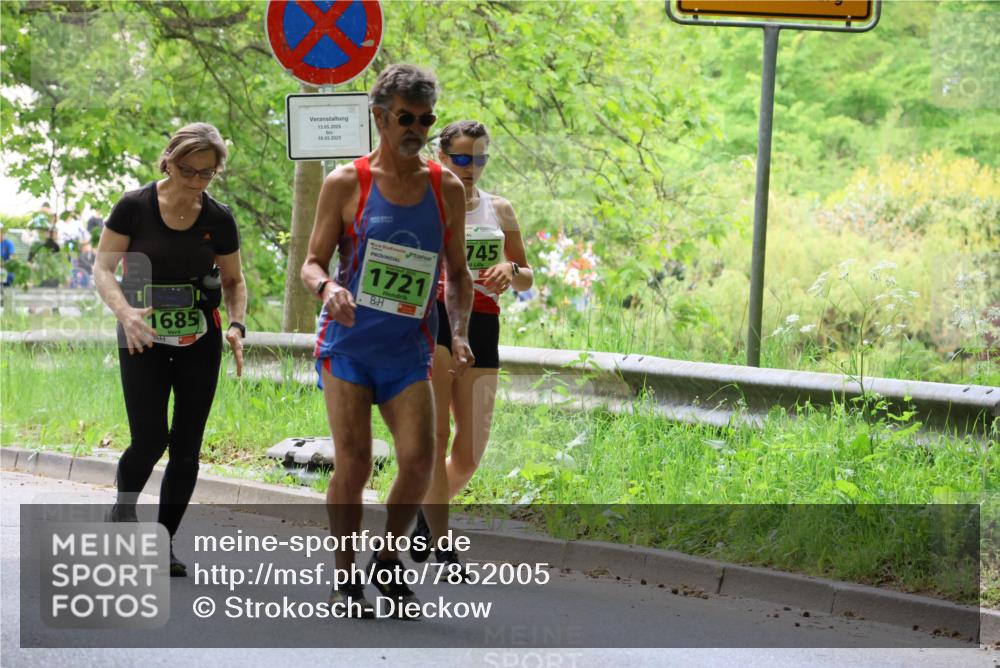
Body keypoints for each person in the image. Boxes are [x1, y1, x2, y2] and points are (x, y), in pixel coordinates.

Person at [300, 64, 474, 618]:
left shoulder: (445, 187)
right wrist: (328, 288)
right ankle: (345, 578)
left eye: (426, 120)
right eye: (405, 118)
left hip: (408, 350)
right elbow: (310, 263)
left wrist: (462, 331)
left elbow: (459, 272)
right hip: (348, 347)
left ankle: (387, 561)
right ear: (379, 117)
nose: (416, 129)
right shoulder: (346, 184)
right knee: (354, 463)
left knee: (420, 460)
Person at [94, 122, 248, 577]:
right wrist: (125, 313)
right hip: (141, 334)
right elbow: (103, 269)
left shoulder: (218, 218)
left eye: (207, 173)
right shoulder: (134, 207)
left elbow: (235, 281)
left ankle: (164, 543)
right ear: (169, 161)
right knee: (149, 438)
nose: (197, 180)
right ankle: (123, 510)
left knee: (186, 447)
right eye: (188, 170)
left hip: (199, 335)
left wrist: (237, 325)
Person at [411, 121, 534, 573]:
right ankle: (444, 546)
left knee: (471, 449)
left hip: (483, 321)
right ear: (441, 156)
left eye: (479, 158)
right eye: (462, 158)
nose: (470, 167)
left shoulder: (500, 209)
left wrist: (509, 271)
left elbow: (526, 274)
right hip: (435, 319)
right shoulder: (423, 203)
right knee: (437, 434)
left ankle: (426, 514)